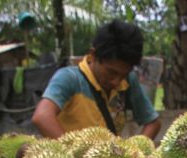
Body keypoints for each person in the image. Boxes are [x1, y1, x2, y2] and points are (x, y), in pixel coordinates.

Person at [33, 20, 161, 140]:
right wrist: (71, 156)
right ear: (93, 55)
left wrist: (136, 153)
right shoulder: (69, 78)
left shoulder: (128, 80)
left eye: (122, 75)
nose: (116, 82)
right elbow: (42, 117)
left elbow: (153, 123)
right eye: (111, 72)